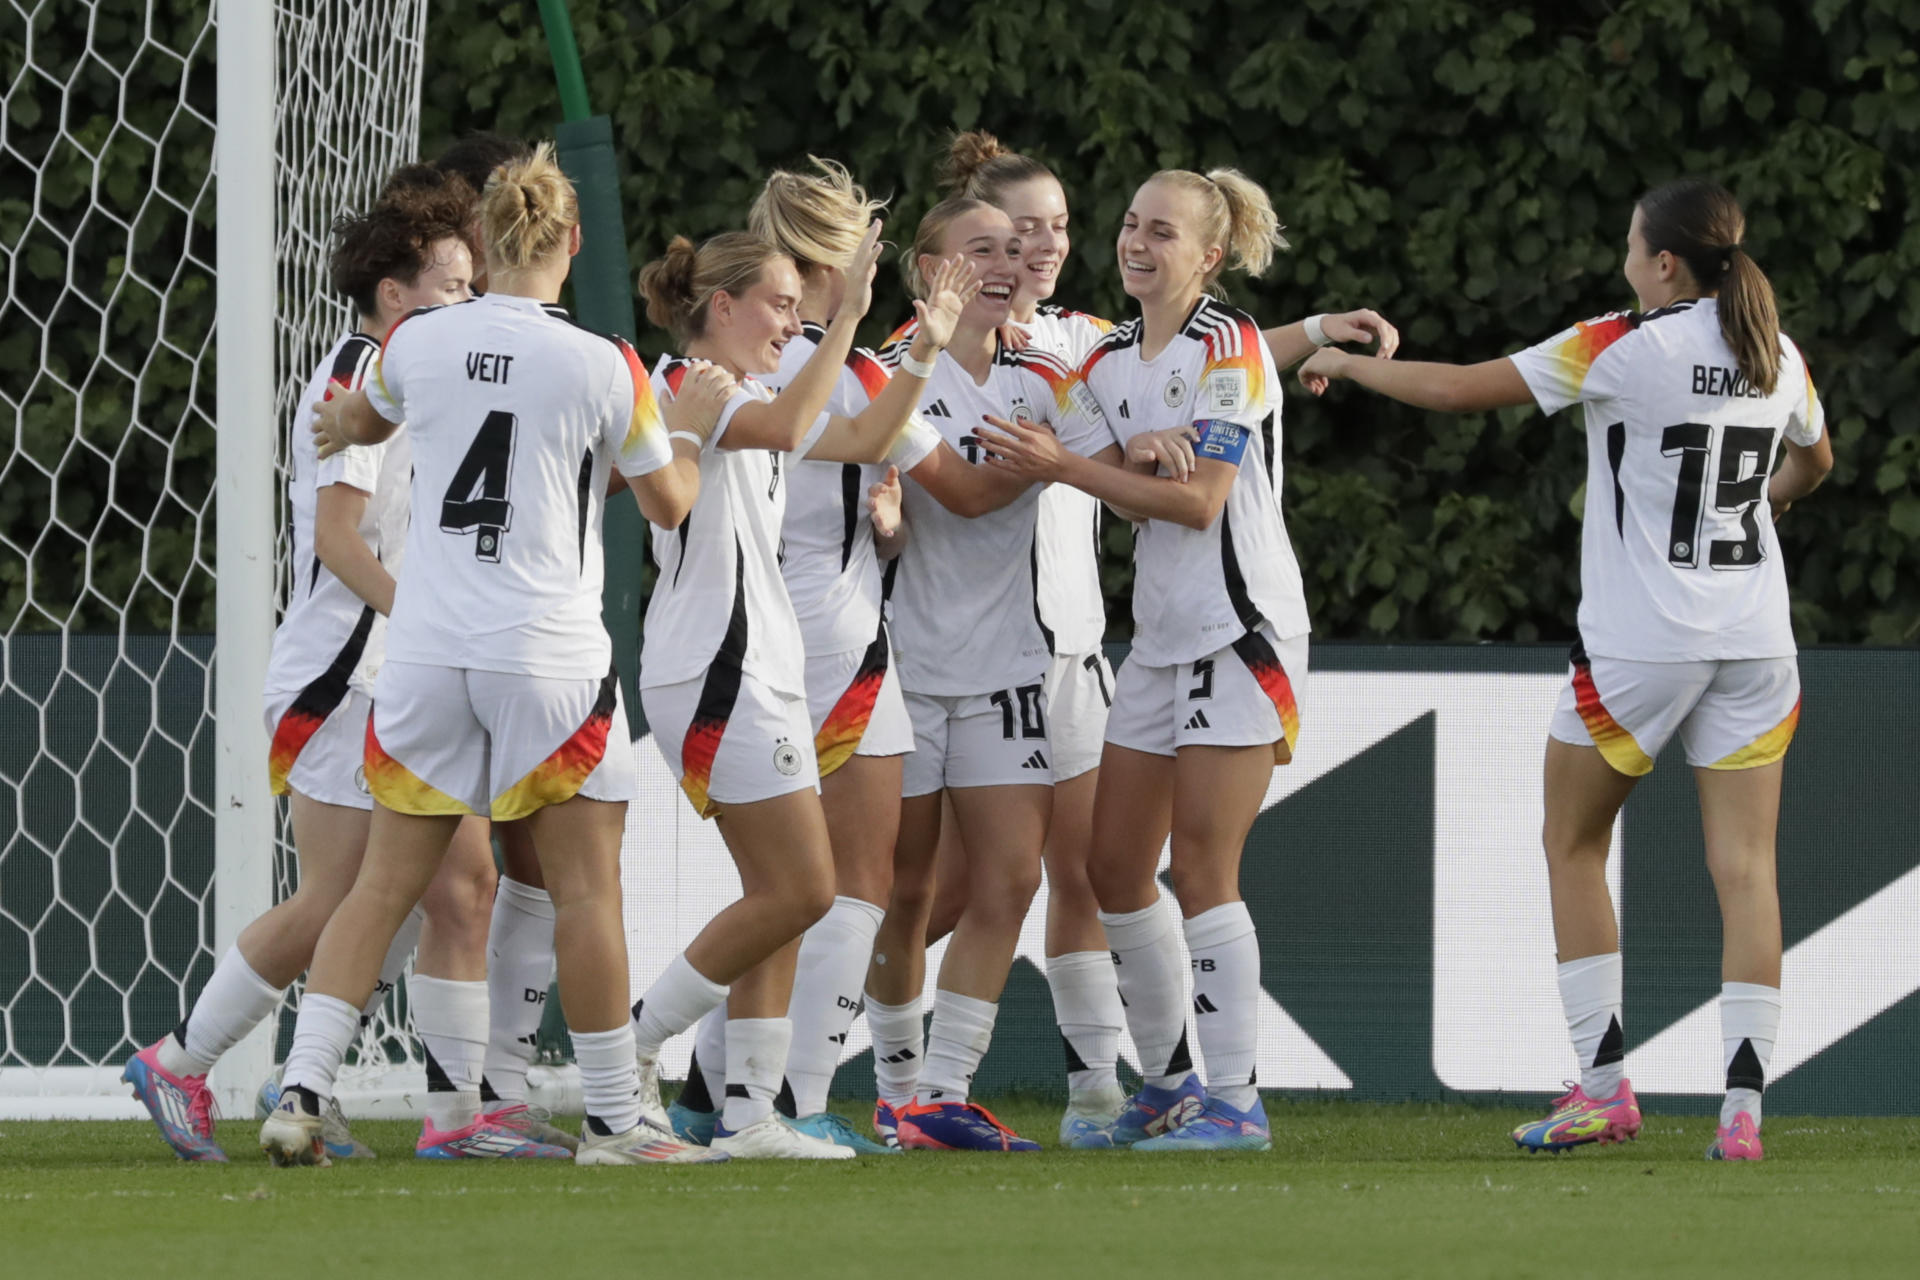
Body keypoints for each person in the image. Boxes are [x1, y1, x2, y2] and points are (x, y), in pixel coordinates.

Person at [1295, 178, 1831, 1162]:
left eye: (1633, 245)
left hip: (1643, 646)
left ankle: (1602, 1088)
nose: (1624, 258)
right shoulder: (1776, 350)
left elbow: (1458, 389)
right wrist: (1766, 511)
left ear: (1663, 263)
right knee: (1747, 869)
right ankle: (1743, 1112)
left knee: (1572, 841)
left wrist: (1345, 364)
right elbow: (1817, 459)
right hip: (1757, 637)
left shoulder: (1623, 343)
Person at [903, 132, 1401, 1146]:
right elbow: (1106, 452)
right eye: (1129, 223)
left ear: (1208, 256)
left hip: (1241, 630)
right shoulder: (1108, 354)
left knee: (1204, 867)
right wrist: (1100, 455)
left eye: (1159, 230)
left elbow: (1194, 504)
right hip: (1161, 642)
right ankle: (1166, 1080)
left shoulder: (1231, 345)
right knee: (1117, 868)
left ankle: (1237, 1097)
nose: (1134, 242)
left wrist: (1071, 464)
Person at [259, 144, 731, 1167]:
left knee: (384, 884)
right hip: (545, 655)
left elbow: (357, 418)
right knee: (584, 889)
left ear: (485, 239)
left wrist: (343, 417)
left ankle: (301, 1090)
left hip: (427, 650)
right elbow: (670, 504)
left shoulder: (419, 341)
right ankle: (617, 1121)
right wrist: (686, 431)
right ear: (570, 239)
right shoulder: (608, 361)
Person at [122, 182, 500, 1163]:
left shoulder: (417, 382)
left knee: (463, 884)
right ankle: (180, 1060)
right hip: (341, 679)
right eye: (452, 288)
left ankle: (439, 1112)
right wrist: (422, 619)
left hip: (391, 672)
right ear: (392, 294)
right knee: (338, 895)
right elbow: (338, 539)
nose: (468, 305)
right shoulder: (358, 372)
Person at [628, 224, 978, 1159]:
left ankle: (749, 1115)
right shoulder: (689, 386)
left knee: (784, 892)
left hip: (761, 667)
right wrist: (852, 318)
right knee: (802, 889)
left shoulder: (743, 392)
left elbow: (864, 435)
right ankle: (634, 1043)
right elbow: (789, 426)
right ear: (723, 306)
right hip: (715, 665)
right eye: (780, 305)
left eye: (799, 305)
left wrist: (929, 342)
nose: (792, 320)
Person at [861, 196, 1114, 1153]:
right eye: (981, 250)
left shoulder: (1050, 373)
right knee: (907, 891)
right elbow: (964, 498)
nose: (1007, 263)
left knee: (1010, 880)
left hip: (1011, 667)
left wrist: (1145, 454)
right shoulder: (890, 375)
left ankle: (938, 1093)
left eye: (1016, 249)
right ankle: (887, 1088)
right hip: (907, 668)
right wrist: (1052, 465)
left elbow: (1116, 457)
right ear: (929, 272)